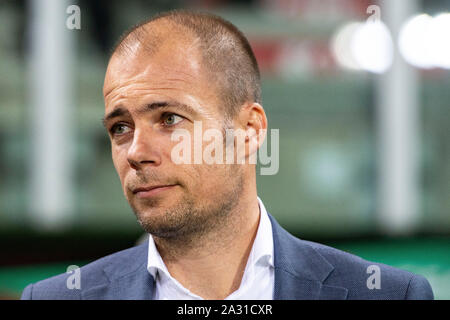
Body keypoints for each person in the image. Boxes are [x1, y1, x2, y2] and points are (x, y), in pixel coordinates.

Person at [21, 10, 433, 300]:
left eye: (169, 119)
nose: (136, 152)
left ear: (250, 130)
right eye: (120, 128)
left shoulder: (386, 294)